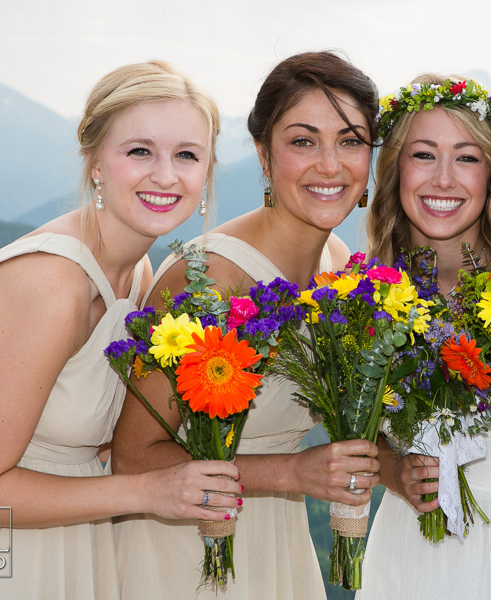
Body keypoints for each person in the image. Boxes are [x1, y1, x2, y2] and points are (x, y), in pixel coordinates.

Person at [0, 60, 241, 599]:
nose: (166, 175)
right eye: (139, 151)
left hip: (69, 533)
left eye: (187, 155)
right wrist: (150, 490)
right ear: (95, 162)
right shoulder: (51, 287)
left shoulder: (137, 271)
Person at [111, 51, 381, 600]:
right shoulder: (207, 279)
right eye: (303, 141)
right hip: (187, 549)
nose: (330, 165)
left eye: (350, 141)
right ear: (263, 154)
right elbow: (133, 456)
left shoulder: (335, 261)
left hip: (277, 542)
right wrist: (293, 473)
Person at [357, 75, 491, 599]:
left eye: (466, 157)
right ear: (395, 168)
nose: (443, 179)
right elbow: (352, 429)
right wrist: (393, 469)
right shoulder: (361, 294)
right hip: (409, 554)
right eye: (424, 155)